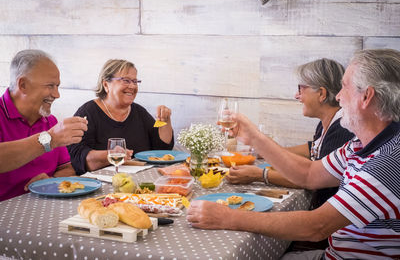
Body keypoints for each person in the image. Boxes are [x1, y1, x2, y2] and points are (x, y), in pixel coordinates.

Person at [187, 49, 400, 259]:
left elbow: (316, 226)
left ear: (366, 97)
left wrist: (227, 217)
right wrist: (254, 138)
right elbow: (309, 174)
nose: (339, 96)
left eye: (344, 87)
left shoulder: (387, 162)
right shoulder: (361, 143)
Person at [227, 58, 354, 211]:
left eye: (301, 89)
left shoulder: (342, 128)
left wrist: (259, 174)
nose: (296, 95)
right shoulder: (328, 121)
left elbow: (313, 179)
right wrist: (270, 152)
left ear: (321, 94)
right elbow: (314, 148)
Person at [0, 49, 88, 202]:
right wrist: (50, 139)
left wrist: (50, 180)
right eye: (50, 86)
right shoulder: (52, 132)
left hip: (44, 210)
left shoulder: (51, 122)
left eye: (57, 86)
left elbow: (67, 170)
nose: (57, 94)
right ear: (23, 85)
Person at [68, 59, 174, 175]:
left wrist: (165, 120)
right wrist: (112, 155)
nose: (132, 86)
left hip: (140, 180)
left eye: (135, 81)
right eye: (126, 81)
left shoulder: (139, 111)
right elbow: (78, 157)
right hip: (102, 183)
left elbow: (162, 148)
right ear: (106, 84)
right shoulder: (88, 113)